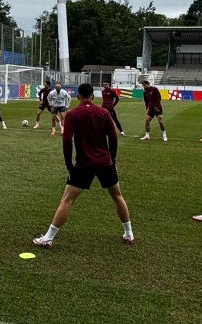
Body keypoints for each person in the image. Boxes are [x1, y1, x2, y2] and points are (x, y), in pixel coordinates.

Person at [33, 83, 133, 248]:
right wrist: (112, 160)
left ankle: (48, 237)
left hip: (84, 164)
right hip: (105, 162)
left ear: (77, 97)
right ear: (93, 96)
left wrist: (69, 165)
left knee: (67, 200)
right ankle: (129, 233)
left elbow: (66, 140)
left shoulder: (73, 114)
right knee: (117, 196)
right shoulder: (104, 112)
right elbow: (114, 138)